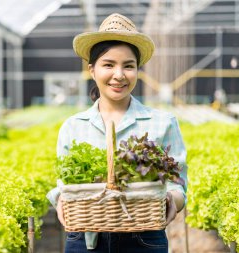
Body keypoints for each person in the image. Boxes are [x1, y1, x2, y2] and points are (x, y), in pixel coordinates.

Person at [46, 13, 188, 253]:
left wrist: (172, 201)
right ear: (92, 70)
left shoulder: (163, 122)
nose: (119, 75)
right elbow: (64, 184)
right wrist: (60, 198)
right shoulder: (73, 126)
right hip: (85, 239)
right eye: (108, 64)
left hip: (144, 238)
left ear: (137, 71)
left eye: (128, 66)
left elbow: (179, 184)